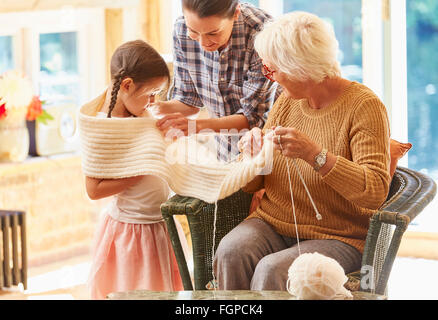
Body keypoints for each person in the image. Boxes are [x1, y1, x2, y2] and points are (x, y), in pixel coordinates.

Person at [213, 11, 391, 291]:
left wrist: (315, 155)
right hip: (273, 223)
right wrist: (252, 157)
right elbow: (255, 184)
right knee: (230, 250)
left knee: (273, 270)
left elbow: (375, 190)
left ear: (301, 68)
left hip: (340, 237)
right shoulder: (287, 100)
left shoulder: (364, 107)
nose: (269, 78)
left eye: (272, 70)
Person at [84, 40, 188, 299]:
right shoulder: (103, 127)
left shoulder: (142, 117)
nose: (154, 101)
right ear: (127, 85)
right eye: (150, 93)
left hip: (161, 227)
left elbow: (161, 157)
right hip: (131, 233)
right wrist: (142, 169)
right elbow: (93, 190)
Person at [152, 0, 279, 160]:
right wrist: (152, 107)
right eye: (193, 31)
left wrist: (195, 127)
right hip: (225, 151)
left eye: (213, 33)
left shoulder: (261, 34)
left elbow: (254, 118)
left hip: (267, 149)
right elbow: (189, 102)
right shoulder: (180, 29)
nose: (203, 43)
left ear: (235, 13)